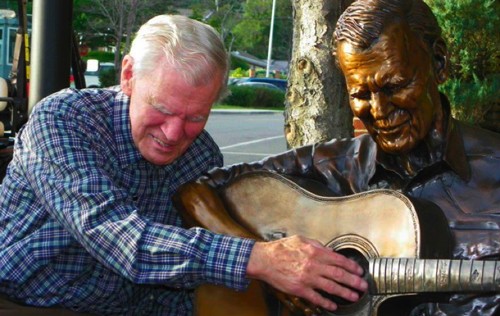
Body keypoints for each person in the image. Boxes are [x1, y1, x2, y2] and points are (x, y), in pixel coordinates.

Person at [0, 14, 367, 315]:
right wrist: (262, 259)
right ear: (128, 76)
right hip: (23, 300)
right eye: (161, 109)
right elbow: (118, 238)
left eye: (196, 117)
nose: (174, 134)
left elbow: (176, 279)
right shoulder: (62, 120)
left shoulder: (202, 155)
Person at [175, 0, 500, 315]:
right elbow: (197, 193)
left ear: (439, 63)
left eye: (396, 85)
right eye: (359, 94)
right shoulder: (337, 163)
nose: (379, 111)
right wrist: (266, 260)